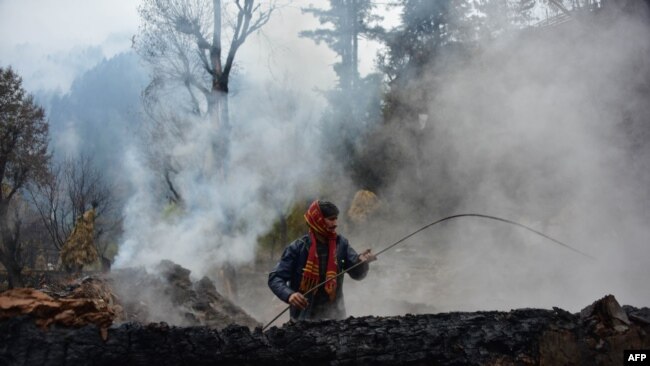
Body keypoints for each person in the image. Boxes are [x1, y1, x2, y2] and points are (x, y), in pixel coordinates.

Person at [268, 199, 376, 321]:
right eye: (331, 219)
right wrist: (290, 295)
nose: (335, 223)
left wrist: (363, 262)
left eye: (336, 219)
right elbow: (275, 278)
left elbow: (357, 274)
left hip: (335, 319)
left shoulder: (341, 244)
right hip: (303, 321)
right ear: (317, 220)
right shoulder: (297, 248)